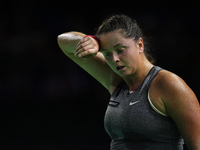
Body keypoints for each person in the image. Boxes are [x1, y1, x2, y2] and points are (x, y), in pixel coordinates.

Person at [57, 14, 200, 150]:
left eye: (121, 50)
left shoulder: (168, 83)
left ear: (140, 45)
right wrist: (91, 40)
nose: (114, 59)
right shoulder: (116, 79)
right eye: (107, 53)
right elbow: (63, 41)